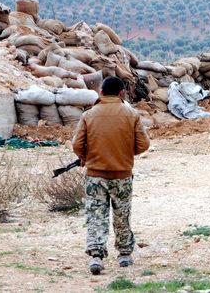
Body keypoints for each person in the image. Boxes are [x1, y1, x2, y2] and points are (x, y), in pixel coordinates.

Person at [72, 76, 150, 275]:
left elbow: (77, 145)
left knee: (96, 215)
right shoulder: (131, 115)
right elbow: (143, 145)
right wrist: (123, 154)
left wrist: (85, 156)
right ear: (122, 93)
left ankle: (96, 256)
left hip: (95, 176)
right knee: (122, 215)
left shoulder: (89, 115)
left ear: (101, 92)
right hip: (122, 175)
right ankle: (124, 255)